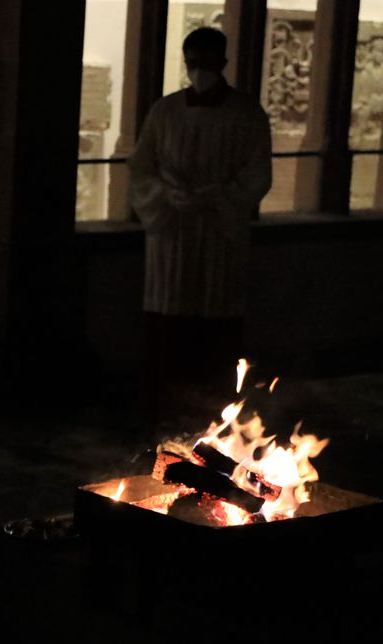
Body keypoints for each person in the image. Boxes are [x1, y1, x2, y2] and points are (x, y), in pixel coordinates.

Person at [129, 27, 272, 421]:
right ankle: (161, 408)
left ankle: (212, 412)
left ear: (222, 62)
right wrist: (165, 194)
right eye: (192, 63)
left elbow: (257, 173)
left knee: (215, 323)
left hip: (219, 233)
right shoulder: (164, 112)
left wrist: (219, 196)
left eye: (206, 63)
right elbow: (141, 167)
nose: (198, 71)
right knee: (168, 323)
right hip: (172, 233)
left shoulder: (246, 114)